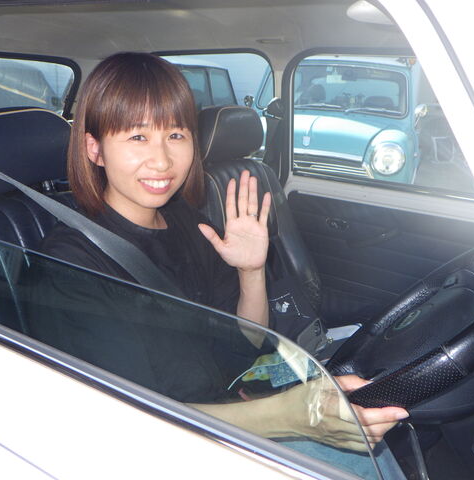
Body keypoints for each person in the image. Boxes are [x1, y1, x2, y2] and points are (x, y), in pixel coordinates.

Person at [29, 52, 407, 470]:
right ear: (95, 149)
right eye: (137, 137)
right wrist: (290, 417)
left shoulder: (189, 222)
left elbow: (245, 342)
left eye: (176, 134)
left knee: (370, 447)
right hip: (167, 447)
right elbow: (133, 417)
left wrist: (250, 271)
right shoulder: (68, 265)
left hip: (229, 406)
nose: (162, 160)